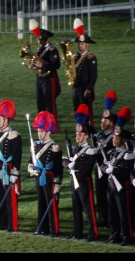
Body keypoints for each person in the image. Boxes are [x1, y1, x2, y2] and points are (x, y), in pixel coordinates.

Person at [63, 103, 98, 242]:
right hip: (74, 181)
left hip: (84, 181)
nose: (77, 137)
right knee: (76, 207)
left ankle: (93, 232)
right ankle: (77, 231)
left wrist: (74, 166)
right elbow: (70, 163)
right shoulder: (75, 149)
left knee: (88, 207)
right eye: (77, 134)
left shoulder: (90, 150)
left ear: (86, 136)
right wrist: (67, 164)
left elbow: (87, 168)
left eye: (80, 134)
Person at [101, 106, 134, 246]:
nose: (114, 139)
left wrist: (113, 170)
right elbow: (103, 165)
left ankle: (127, 235)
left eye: (117, 137)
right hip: (111, 185)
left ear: (123, 139)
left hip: (122, 187)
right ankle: (115, 233)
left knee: (123, 213)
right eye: (114, 136)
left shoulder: (127, 154)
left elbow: (126, 171)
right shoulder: (111, 153)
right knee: (112, 211)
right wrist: (106, 169)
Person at [28, 111, 63, 237]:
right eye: (38, 130)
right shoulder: (35, 145)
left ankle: (54, 229)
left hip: (49, 177)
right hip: (39, 176)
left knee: (51, 203)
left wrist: (57, 182)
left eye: (42, 131)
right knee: (41, 202)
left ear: (48, 131)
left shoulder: (55, 147)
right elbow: (30, 161)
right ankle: (42, 227)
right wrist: (32, 169)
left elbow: (59, 167)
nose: (39, 133)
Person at [0, 99, 22, 232]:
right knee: (0, 196)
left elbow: (18, 156)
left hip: (8, 169)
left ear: (7, 119)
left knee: (10, 198)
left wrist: (15, 171)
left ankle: (11, 225)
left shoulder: (13, 135)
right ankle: (1, 223)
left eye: (0, 118)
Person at [28, 19, 61, 133]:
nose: (38, 41)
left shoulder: (52, 49)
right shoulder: (39, 49)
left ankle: (53, 126)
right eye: (38, 39)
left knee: (49, 104)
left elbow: (56, 65)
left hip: (49, 79)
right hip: (40, 79)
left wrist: (43, 66)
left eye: (40, 39)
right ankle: (42, 125)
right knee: (40, 102)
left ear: (45, 39)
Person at [93, 91, 117, 228]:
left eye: (106, 120)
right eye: (102, 120)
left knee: (109, 195)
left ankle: (110, 218)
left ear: (112, 123)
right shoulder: (99, 136)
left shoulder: (114, 137)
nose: (102, 122)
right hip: (99, 169)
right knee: (100, 193)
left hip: (108, 169)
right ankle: (102, 217)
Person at [72, 18, 97, 127]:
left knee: (86, 110)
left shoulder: (90, 57)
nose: (80, 45)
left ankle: (88, 129)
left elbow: (93, 74)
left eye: (82, 43)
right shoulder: (76, 56)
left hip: (85, 87)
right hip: (76, 87)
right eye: (79, 43)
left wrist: (89, 88)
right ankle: (80, 129)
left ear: (87, 45)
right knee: (77, 109)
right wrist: (71, 60)